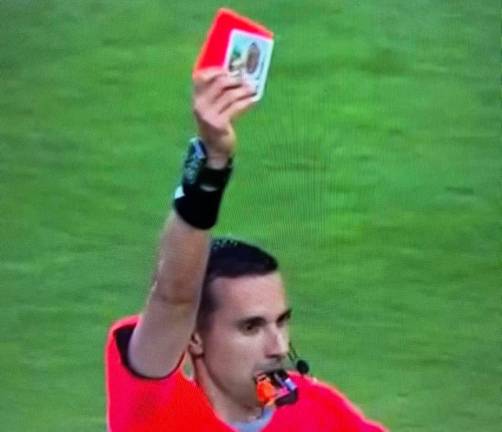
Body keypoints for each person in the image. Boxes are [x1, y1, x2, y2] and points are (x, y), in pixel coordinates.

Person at [105, 68, 387, 432]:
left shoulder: (316, 412)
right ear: (194, 336)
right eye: (251, 327)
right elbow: (174, 296)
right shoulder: (158, 416)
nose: (278, 347)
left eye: (281, 322)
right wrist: (211, 165)